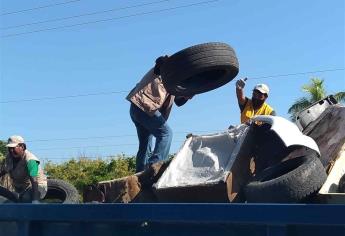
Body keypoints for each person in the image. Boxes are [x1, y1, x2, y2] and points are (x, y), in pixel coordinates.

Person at [127, 56, 192, 173]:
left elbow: (178, 101)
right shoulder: (164, 68)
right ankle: (155, 168)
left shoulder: (175, 84)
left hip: (137, 109)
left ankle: (139, 176)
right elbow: (159, 62)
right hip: (144, 105)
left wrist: (190, 93)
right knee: (166, 133)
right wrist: (170, 60)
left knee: (145, 144)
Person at [0, 135, 47, 203]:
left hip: (37, 187)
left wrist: (35, 200)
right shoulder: (9, 157)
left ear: (22, 147)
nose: (11, 150)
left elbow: (34, 181)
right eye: (9, 148)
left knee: (26, 199)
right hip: (20, 189)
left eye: (13, 148)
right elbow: (3, 171)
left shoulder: (31, 160)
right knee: (14, 201)